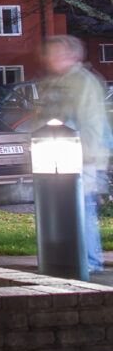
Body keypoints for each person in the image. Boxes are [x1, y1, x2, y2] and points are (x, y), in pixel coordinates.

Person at [37, 35, 109, 275]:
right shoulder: (59, 82)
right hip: (61, 155)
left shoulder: (81, 82)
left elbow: (91, 121)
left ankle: (88, 261)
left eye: (56, 54)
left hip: (80, 157)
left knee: (82, 208)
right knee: (73, 208)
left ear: (71, 56)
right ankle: (74, 259)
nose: (50, 58)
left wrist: (84, 156)